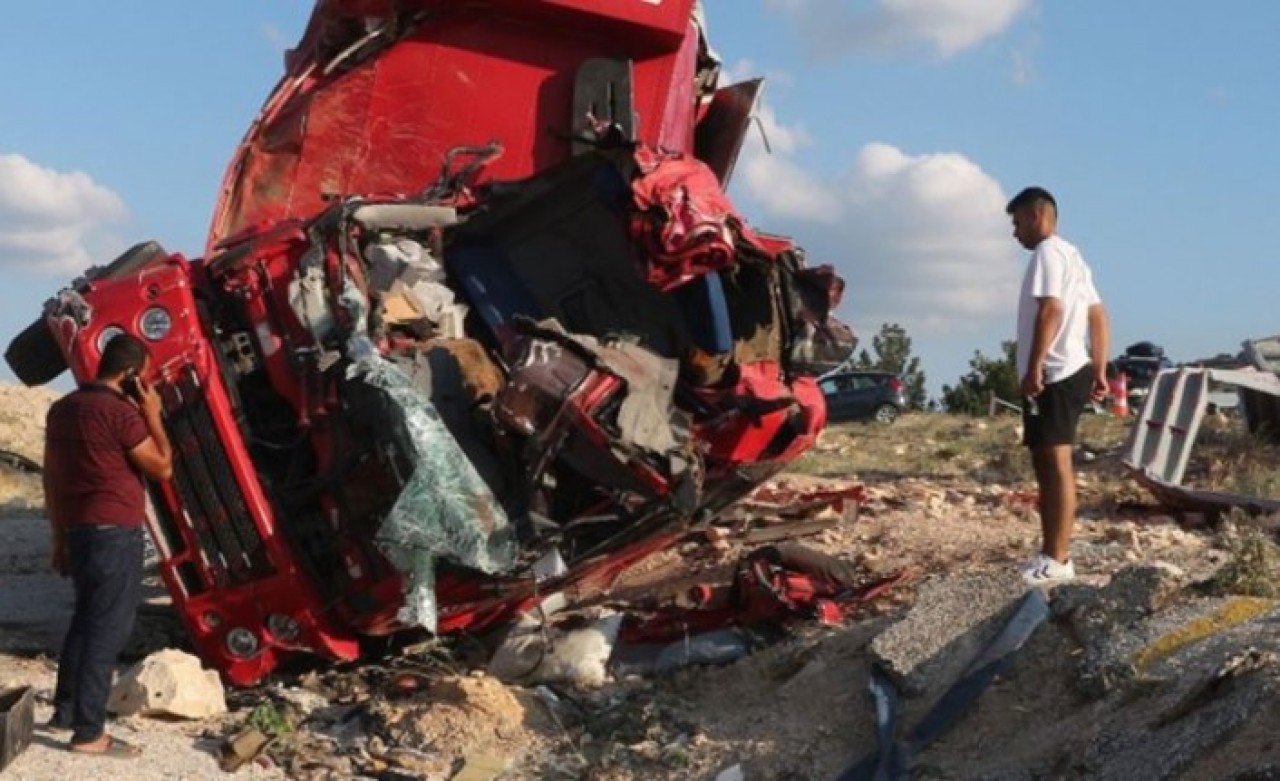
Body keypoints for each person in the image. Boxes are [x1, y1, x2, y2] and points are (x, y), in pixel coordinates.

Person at [43, 334, 172, 758]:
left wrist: (59, 537)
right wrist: (152, 414)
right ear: (131, 374)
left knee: (85, 620)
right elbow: (162, 467)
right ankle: (89, 733)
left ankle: (66, 712)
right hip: (114, 532)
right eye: (144, 377)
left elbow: (51, 478)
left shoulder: (63, 409)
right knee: (107, 631)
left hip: (79, 530)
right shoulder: (120, 414)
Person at [1007, 186, 1109, 585]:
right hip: (1074, 368)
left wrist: (1034, 367)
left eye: (1018, 223)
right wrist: (1099, 368)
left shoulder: (1048, 252)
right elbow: (1098, 316)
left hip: (1054, 372)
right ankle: (1053, 554)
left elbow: (1051, 308)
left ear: (1037, 215)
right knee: (1050, 463)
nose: (1015, 233)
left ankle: (1057, 558)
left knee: (1053, 465)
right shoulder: (1073, 256)